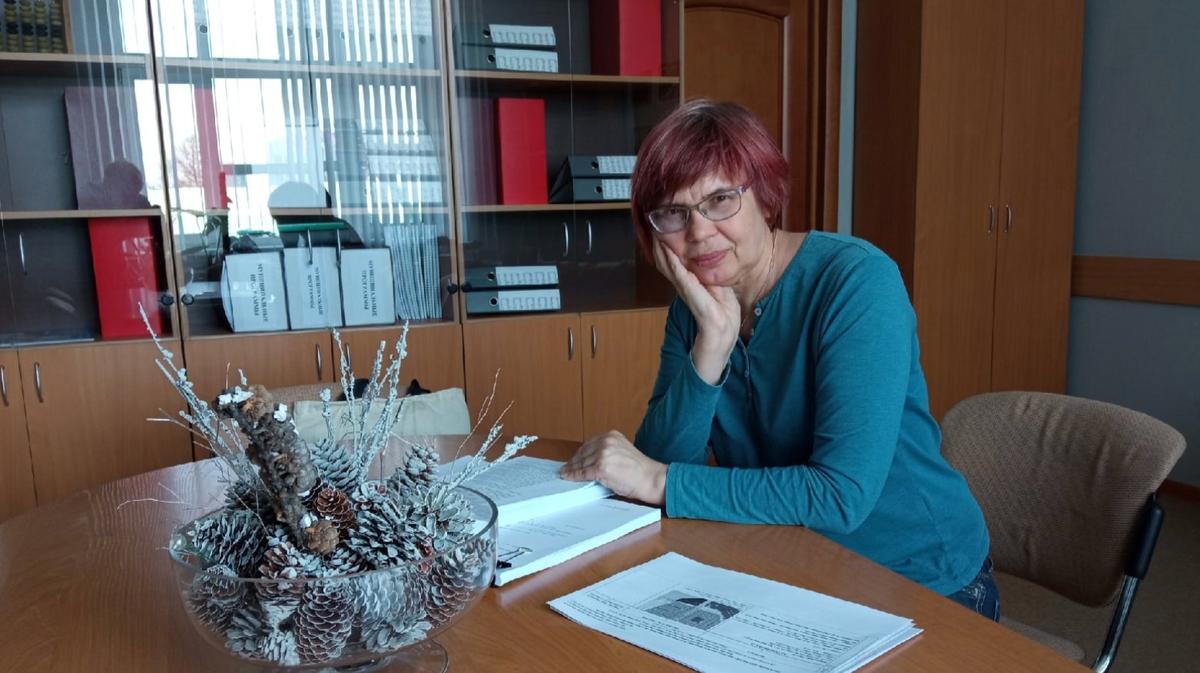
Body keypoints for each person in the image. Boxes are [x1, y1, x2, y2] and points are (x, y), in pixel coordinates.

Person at [560, 99, 998, 620]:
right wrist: (712, 343)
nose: (699, 233)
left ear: (765, 198)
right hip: (792, 563)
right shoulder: (696, 306)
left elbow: (840, 496)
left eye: (720, 199)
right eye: (674, 213)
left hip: (920, 578)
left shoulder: (856, 281)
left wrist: (659, 481)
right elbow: (662, 455)